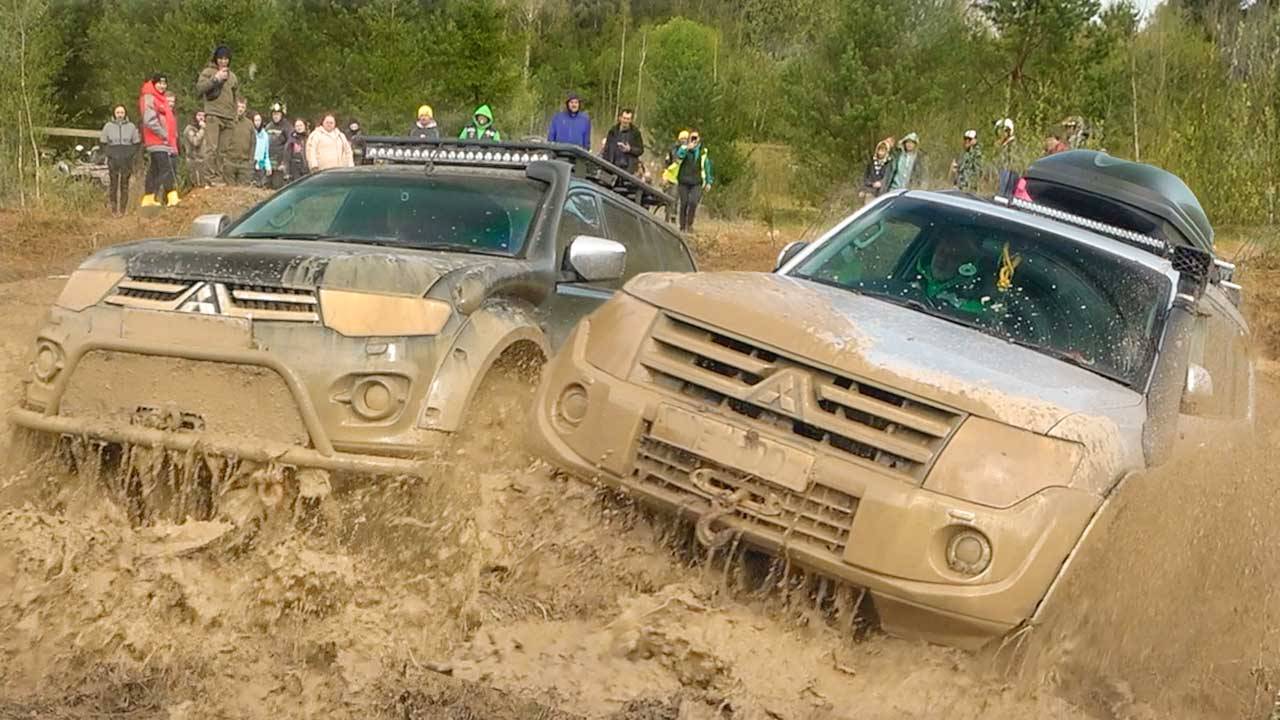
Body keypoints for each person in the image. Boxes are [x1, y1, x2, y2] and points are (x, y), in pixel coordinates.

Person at [909, 228, 997, 316]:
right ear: (934, 252)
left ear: (965, 265)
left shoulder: (970, 302)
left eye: (953, 256)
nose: (943, 259)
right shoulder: (911, 278)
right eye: (941, 251)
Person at [194, 45, 241, 186]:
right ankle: (210, 177)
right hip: (213, 115)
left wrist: (235, 115)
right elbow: (199, 89)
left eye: (226, 58)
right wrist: (215, 79)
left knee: (223, 151)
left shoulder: (233, 76)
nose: (223, 61)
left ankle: (219, 177)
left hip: (229, 117)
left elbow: (235, 96)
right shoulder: (208, 72)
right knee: (211, 149)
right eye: (220, 58)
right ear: (216, 59)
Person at [138, 74, 178, 208]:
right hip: (158, 141)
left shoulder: (160, 98)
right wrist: (164, 134)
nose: (163, 86)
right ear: (154, 84)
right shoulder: (150, 97)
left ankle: (149, 198)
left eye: (165, 83)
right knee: (166, 169)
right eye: (160, 83)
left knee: (154, 170)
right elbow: (149, 120)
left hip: (162, 142)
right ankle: (172, 196)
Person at [100, 105, 140, 216]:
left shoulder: (131, 126)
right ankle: (113, 209)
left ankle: (123, 209)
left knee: (124, 184)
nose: (120, 115)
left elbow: (136, 143)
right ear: (114, 114)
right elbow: (103, 143)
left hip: (126, 158)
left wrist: (130, 154)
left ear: (125, 114)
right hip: (113, 158)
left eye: (122, 112)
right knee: (113, 184)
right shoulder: (108, 126)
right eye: (118, 112)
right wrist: (109, 154)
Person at [673, 129, 713, 233]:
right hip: (683, 181)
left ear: (699, 139)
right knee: (684, 203)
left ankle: (689, 224)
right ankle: (682, 226)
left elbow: (707, 167)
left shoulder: (702, 152)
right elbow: (678, 158)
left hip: (697, 182)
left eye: (696, 137)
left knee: (693, 202)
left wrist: (709, 181)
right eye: (692, 137)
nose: (694, 140)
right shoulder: (683, 148)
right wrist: (687, 148)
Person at [600, 108, 644, 174]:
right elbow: (607, 150)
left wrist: (630, 149)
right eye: (624, 118)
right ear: (620, 118)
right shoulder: (613, 131)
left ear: (631, 120)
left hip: (628, 171)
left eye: (628, 119)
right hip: (612, 168)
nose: (625, 121)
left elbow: (640, 150)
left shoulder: (636, 133)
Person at [224, 98, 256, 185]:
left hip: (244, 164)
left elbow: (253, 143)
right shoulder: (228, 121)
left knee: (243, 192)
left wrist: (251, 160)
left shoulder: (250, 124)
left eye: (243, 107)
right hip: (229, 162)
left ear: (245, 109)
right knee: (229, 192)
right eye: (238, 106)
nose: (240, 109)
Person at [265, 102, 291, 189]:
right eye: (274, 114)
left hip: (280, 163)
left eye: (278, 114)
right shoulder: (268, 127)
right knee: (265, 186)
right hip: (268, 162)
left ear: (282, 115)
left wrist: (285, 162)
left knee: (277, 186)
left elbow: (290, 145)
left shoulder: (287, 127)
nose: (275, 116)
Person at [182, 111, 207, 187]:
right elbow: (195, 142)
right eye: (199, 115)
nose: (201, 118)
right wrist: (202, 129)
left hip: (204, 162)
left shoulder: (207, 128)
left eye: (203, 115)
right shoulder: (189, 129)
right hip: (194, 161)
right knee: (197, 187)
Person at [252, 112, 272, 187]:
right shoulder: (251, 133)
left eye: (259, 120)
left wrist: (268, 166)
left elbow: (266, 153)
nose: (257, 122)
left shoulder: (265, 135)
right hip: (252, 164)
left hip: (261, 165)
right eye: (255, 120)